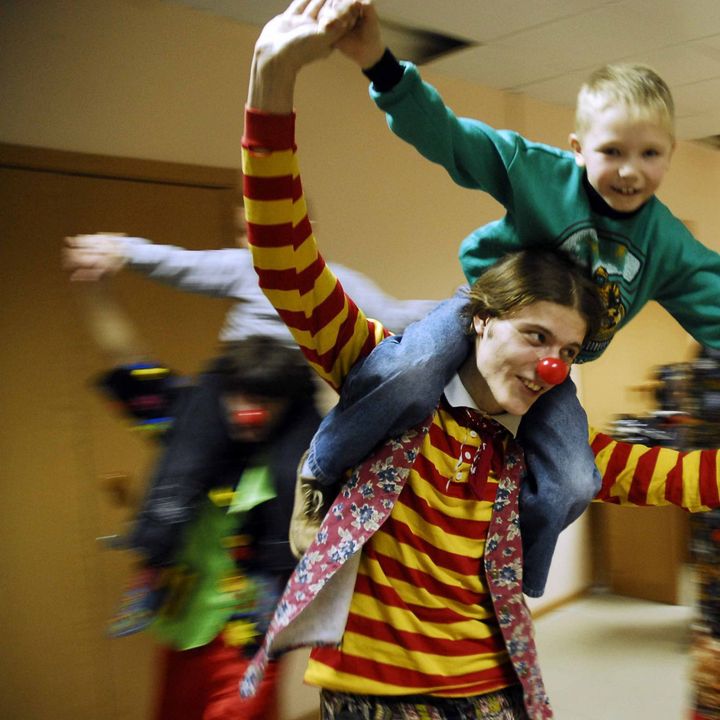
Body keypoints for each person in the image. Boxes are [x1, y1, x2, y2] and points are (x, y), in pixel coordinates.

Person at [237, 3, 720, 717]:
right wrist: (271, 82)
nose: (552, 366)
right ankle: (317, 477)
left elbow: (679, 479)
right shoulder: (381, 374)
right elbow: (286, 264)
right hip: (373, 692)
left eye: (566, 350)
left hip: (493, 693)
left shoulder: (547, 441)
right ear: (483, 321)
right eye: (534, 337)